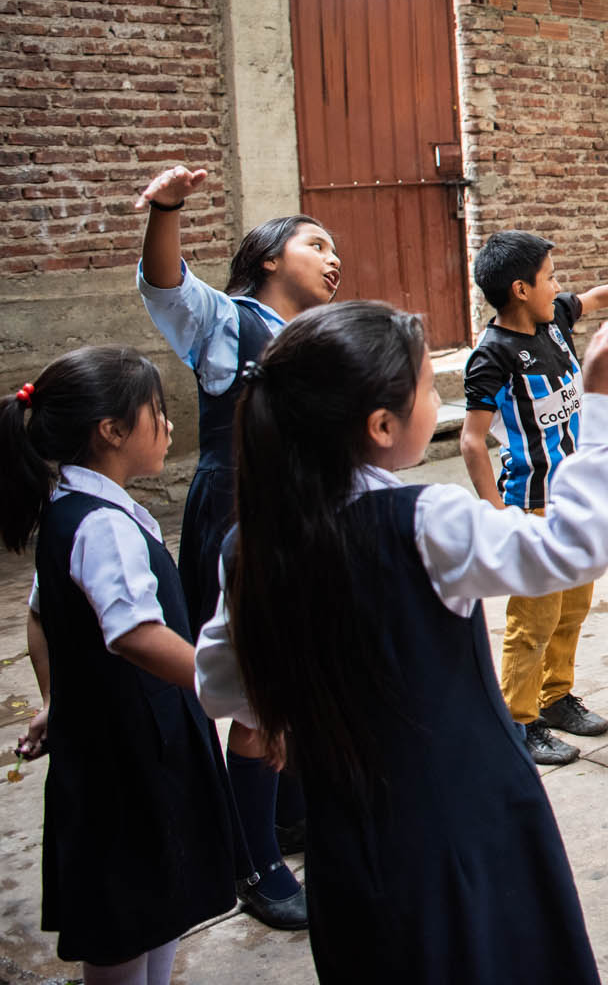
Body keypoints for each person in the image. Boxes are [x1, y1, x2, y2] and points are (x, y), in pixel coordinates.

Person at [195, 299, 608, 983]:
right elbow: (574, 546)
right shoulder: (423, 523)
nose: (437, 398)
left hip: (350, 844)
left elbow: (219, 685)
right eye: (427, 387)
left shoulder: (250, 548)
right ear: (381, 425)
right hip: (466, 824)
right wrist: (607, 407)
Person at [3, 347, 235, 985]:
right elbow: (135, 633)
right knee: (130, 911)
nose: (167, 427)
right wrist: (230, 685)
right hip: (130, 755)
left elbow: (42, 618)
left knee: (157, 906)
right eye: (156, 413)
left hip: (124, 743)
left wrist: (58, 701)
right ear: (110, 431)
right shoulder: (101, 525)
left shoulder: (76, 509)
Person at [134, 163, 326, 929]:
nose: (333, 256)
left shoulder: (312, 336)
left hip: (298, 514)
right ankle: (256, 863)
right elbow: (166, 284)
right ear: (270, 257)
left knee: (297, 677)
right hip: (238, 515)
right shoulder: (228, 320)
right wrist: (167, 210)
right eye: (317, 242)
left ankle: (286, 812)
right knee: (254, 692)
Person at [461, 230, 608, 766]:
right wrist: (496, 514)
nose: (560, 286)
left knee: (574, 608)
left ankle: (556, 697)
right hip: (530, 503)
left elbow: (602, 295)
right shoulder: (491, 358)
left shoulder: (554, 320)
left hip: (573, 500)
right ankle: (520, 722)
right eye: (550, 277)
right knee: (532, 621)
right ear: (520, 289)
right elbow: (472, 441)